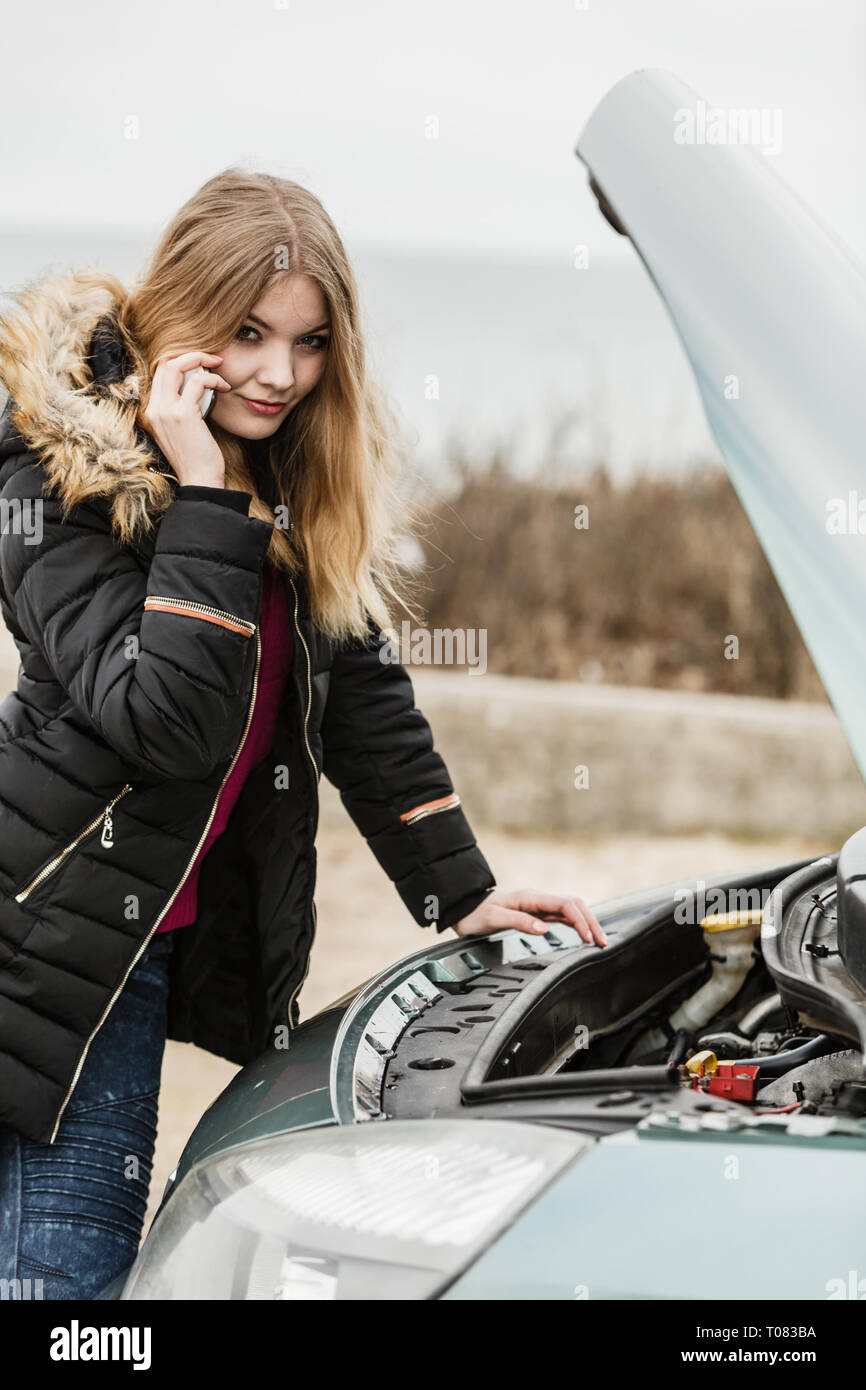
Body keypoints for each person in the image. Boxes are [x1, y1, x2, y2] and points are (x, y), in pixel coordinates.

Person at [0, 167, 607, 1299]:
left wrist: (459, 889)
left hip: (141, 950)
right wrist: (199, 492)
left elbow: (367, 707)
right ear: (180, 314)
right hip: (45, 955)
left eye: (309, 340)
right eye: (246, 332)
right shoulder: (54, 469)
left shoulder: (291, 479)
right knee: (68, 1294)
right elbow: (164, 721)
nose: (280, 373)